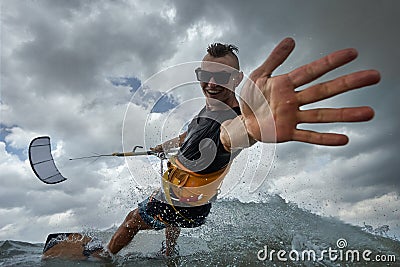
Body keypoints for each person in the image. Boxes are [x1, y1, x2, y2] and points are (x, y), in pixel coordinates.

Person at [105, 37, 380, 257]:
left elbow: (234, 135)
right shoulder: (203, 111)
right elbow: (185, 136)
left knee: (132, 219)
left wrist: (251, 128)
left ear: (237, 79)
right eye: (206, 74)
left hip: (188, 202)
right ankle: (170, 253)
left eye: (222, 77)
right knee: (163, 200)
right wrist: (160, 147)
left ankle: (104, 258)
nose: (212, 84)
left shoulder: (237, 119)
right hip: (188, 197)